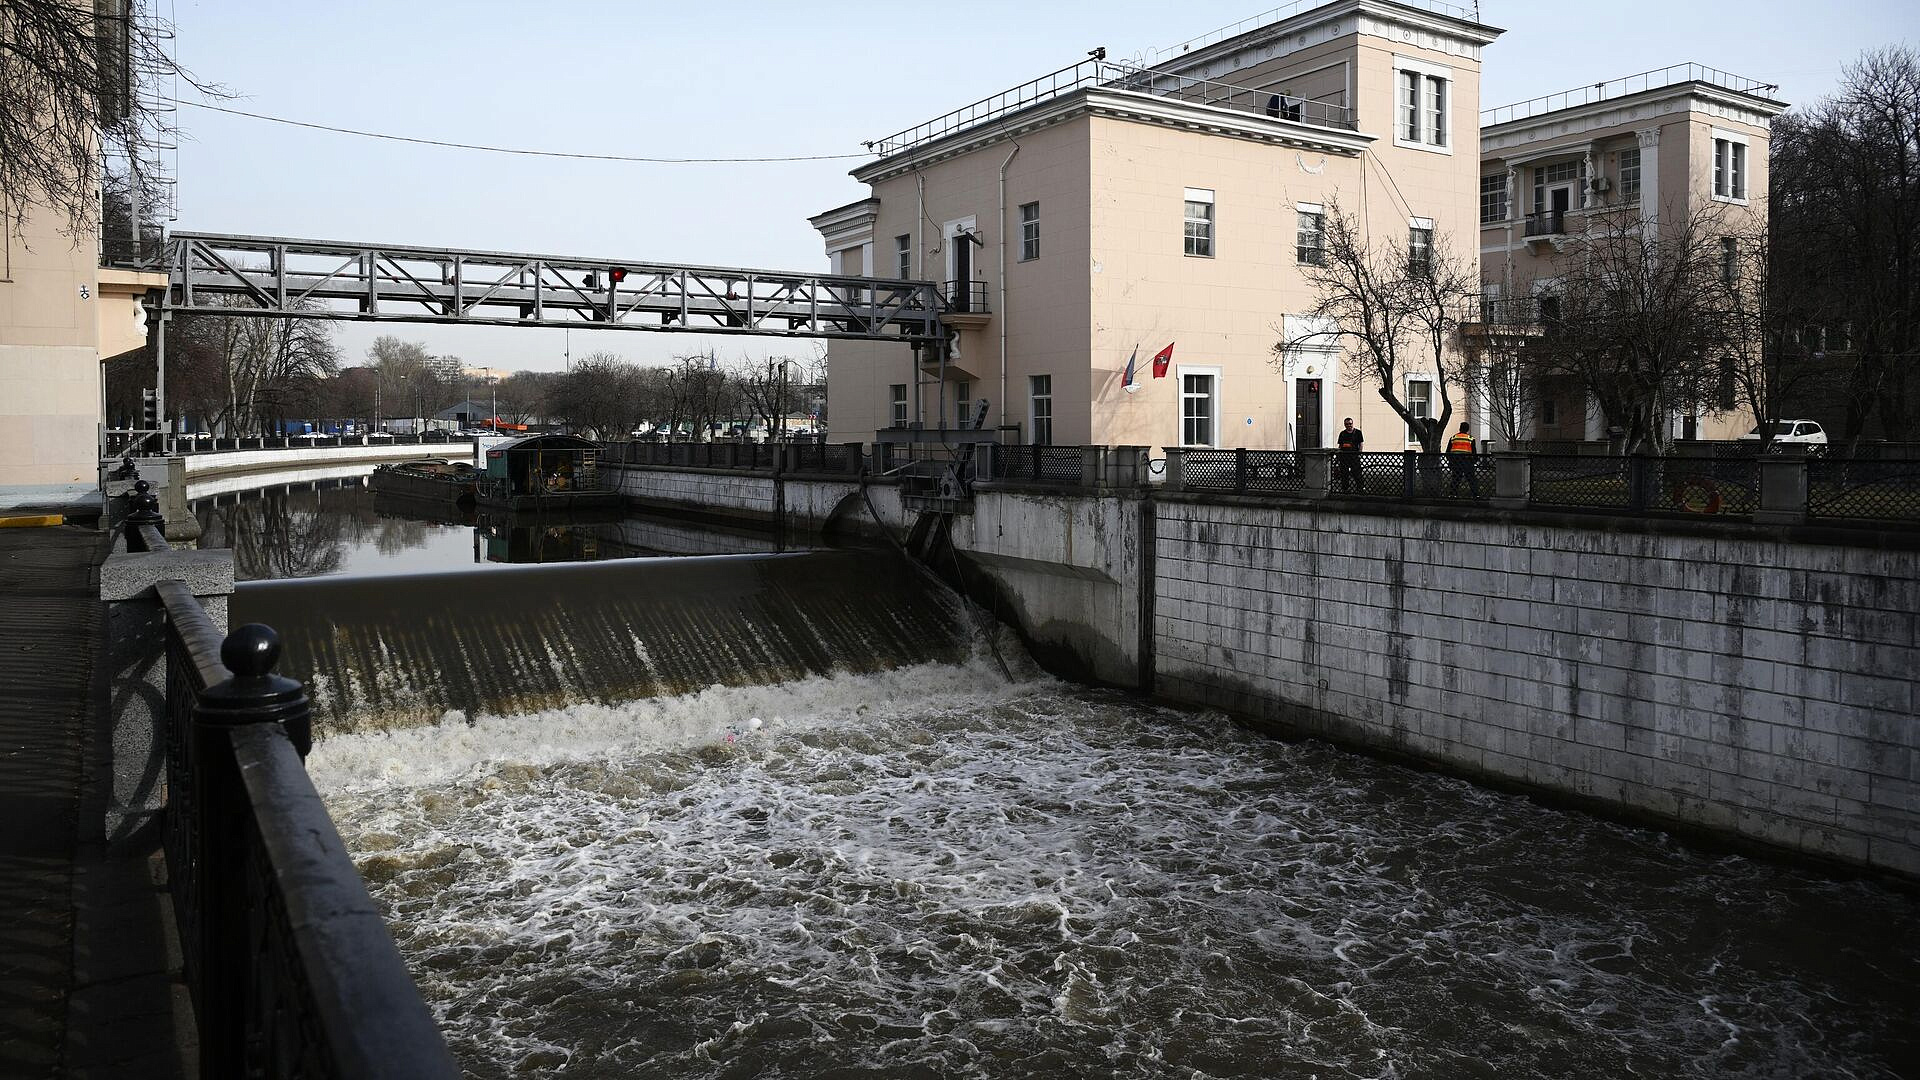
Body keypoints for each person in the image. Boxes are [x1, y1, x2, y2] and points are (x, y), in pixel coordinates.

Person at [1446, 421, 1479, 497]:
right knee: (1471, 479)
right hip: (1467, 462)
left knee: (1455, 479)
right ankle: (1475, 495)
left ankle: (1452, 494)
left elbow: (1448, 452)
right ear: (1467, 429)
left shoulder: (1453, 438)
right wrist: (1474, 462)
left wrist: (1450, 461)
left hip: (1456, 462)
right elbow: (1474, 453)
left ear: (1460, 428)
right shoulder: (1470, 439)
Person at [1335, 417, 1363, 492]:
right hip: (1344, 457)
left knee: (1357, 473)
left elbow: (1361, 444)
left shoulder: (1358, 432)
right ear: (1344, 425)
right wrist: (1338, 455)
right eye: (1347, 424)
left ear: (1352, 423)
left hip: (1354, 456)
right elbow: (1340, 446)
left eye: (1350, 424)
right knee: (1344, 474)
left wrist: (1359, 453)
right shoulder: (1342, 433)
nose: (1349, 425)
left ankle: (1360, 488)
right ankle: (1345, 489)